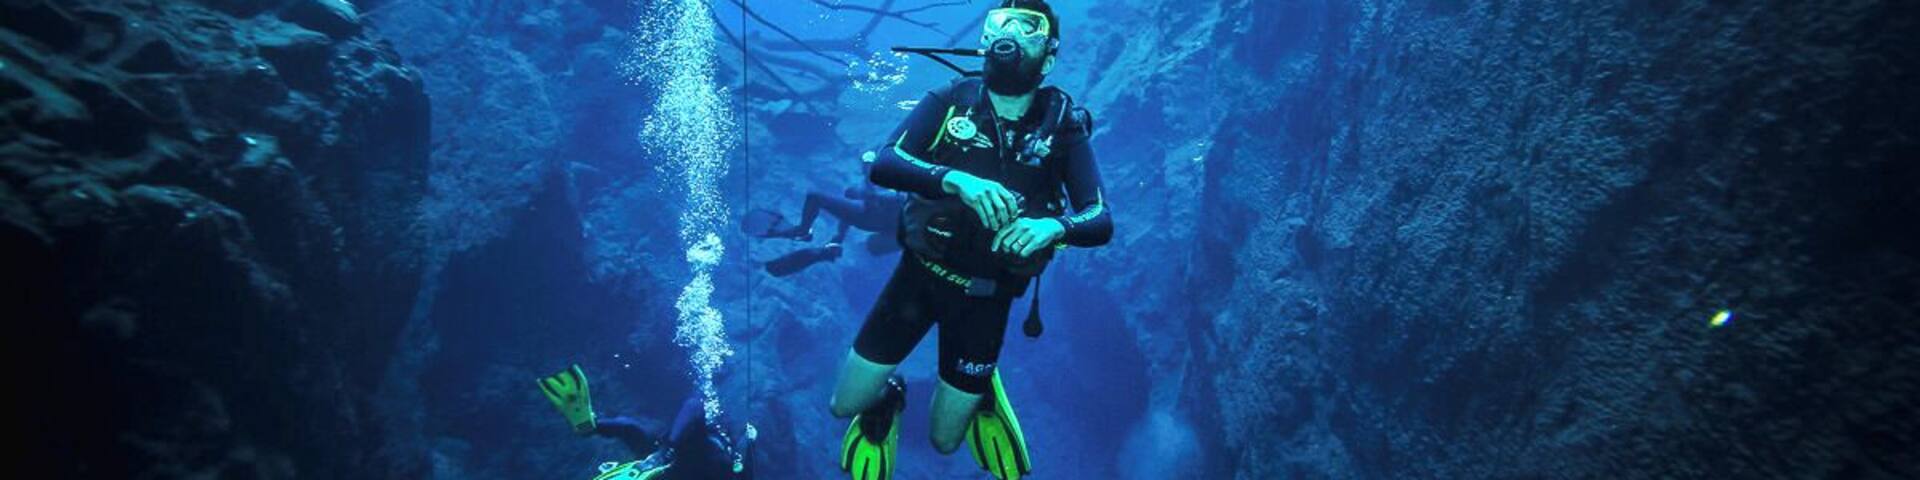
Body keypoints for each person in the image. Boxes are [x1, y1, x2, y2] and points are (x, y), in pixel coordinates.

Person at [829, 2, 1113, 480]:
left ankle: (981, 393)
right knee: (843, 405)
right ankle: (887, 400)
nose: (1010, 32)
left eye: (1029, 27)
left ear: (1048, 55)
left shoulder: (1062, 125)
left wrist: (1055, 227)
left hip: (987, 299)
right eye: (1000, 23)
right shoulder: (951, 98)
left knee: (944, 442)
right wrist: (956, 179)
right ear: (984, 42)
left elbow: (1100, 219)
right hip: (916, 282)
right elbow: (885, 163)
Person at [537, 365, 756, 479]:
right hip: (685, 463)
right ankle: (593, 425)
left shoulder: (704, 434)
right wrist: (751, 442)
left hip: (674, 458)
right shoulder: (721, 442)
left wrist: (665, 451)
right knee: (637, 431)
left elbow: (693, 407)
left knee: (632, 428)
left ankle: (592, 425)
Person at [754, 152, 905, 277]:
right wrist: (839, 237)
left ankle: (803, 231)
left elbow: (885, 198)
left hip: (881, 222)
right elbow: (852, 212)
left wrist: (868, 174)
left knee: (818, 197)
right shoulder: (868, 185)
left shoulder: (895, 187)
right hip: (871, 219)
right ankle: (806, 233)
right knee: (818, 197)